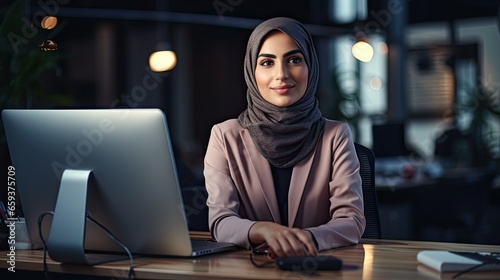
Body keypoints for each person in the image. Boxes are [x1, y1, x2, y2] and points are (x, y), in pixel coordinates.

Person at [203, 17, 365, 258]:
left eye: (294, 60)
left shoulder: (335, 136)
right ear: (251, 71)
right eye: (267, 62)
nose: (282, 74)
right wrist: (264, 231)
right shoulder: (224, 136)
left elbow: (351, 220)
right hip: (247, 272)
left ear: (311, 66)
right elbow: (221, 221)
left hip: (317, 269)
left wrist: (306, 239)